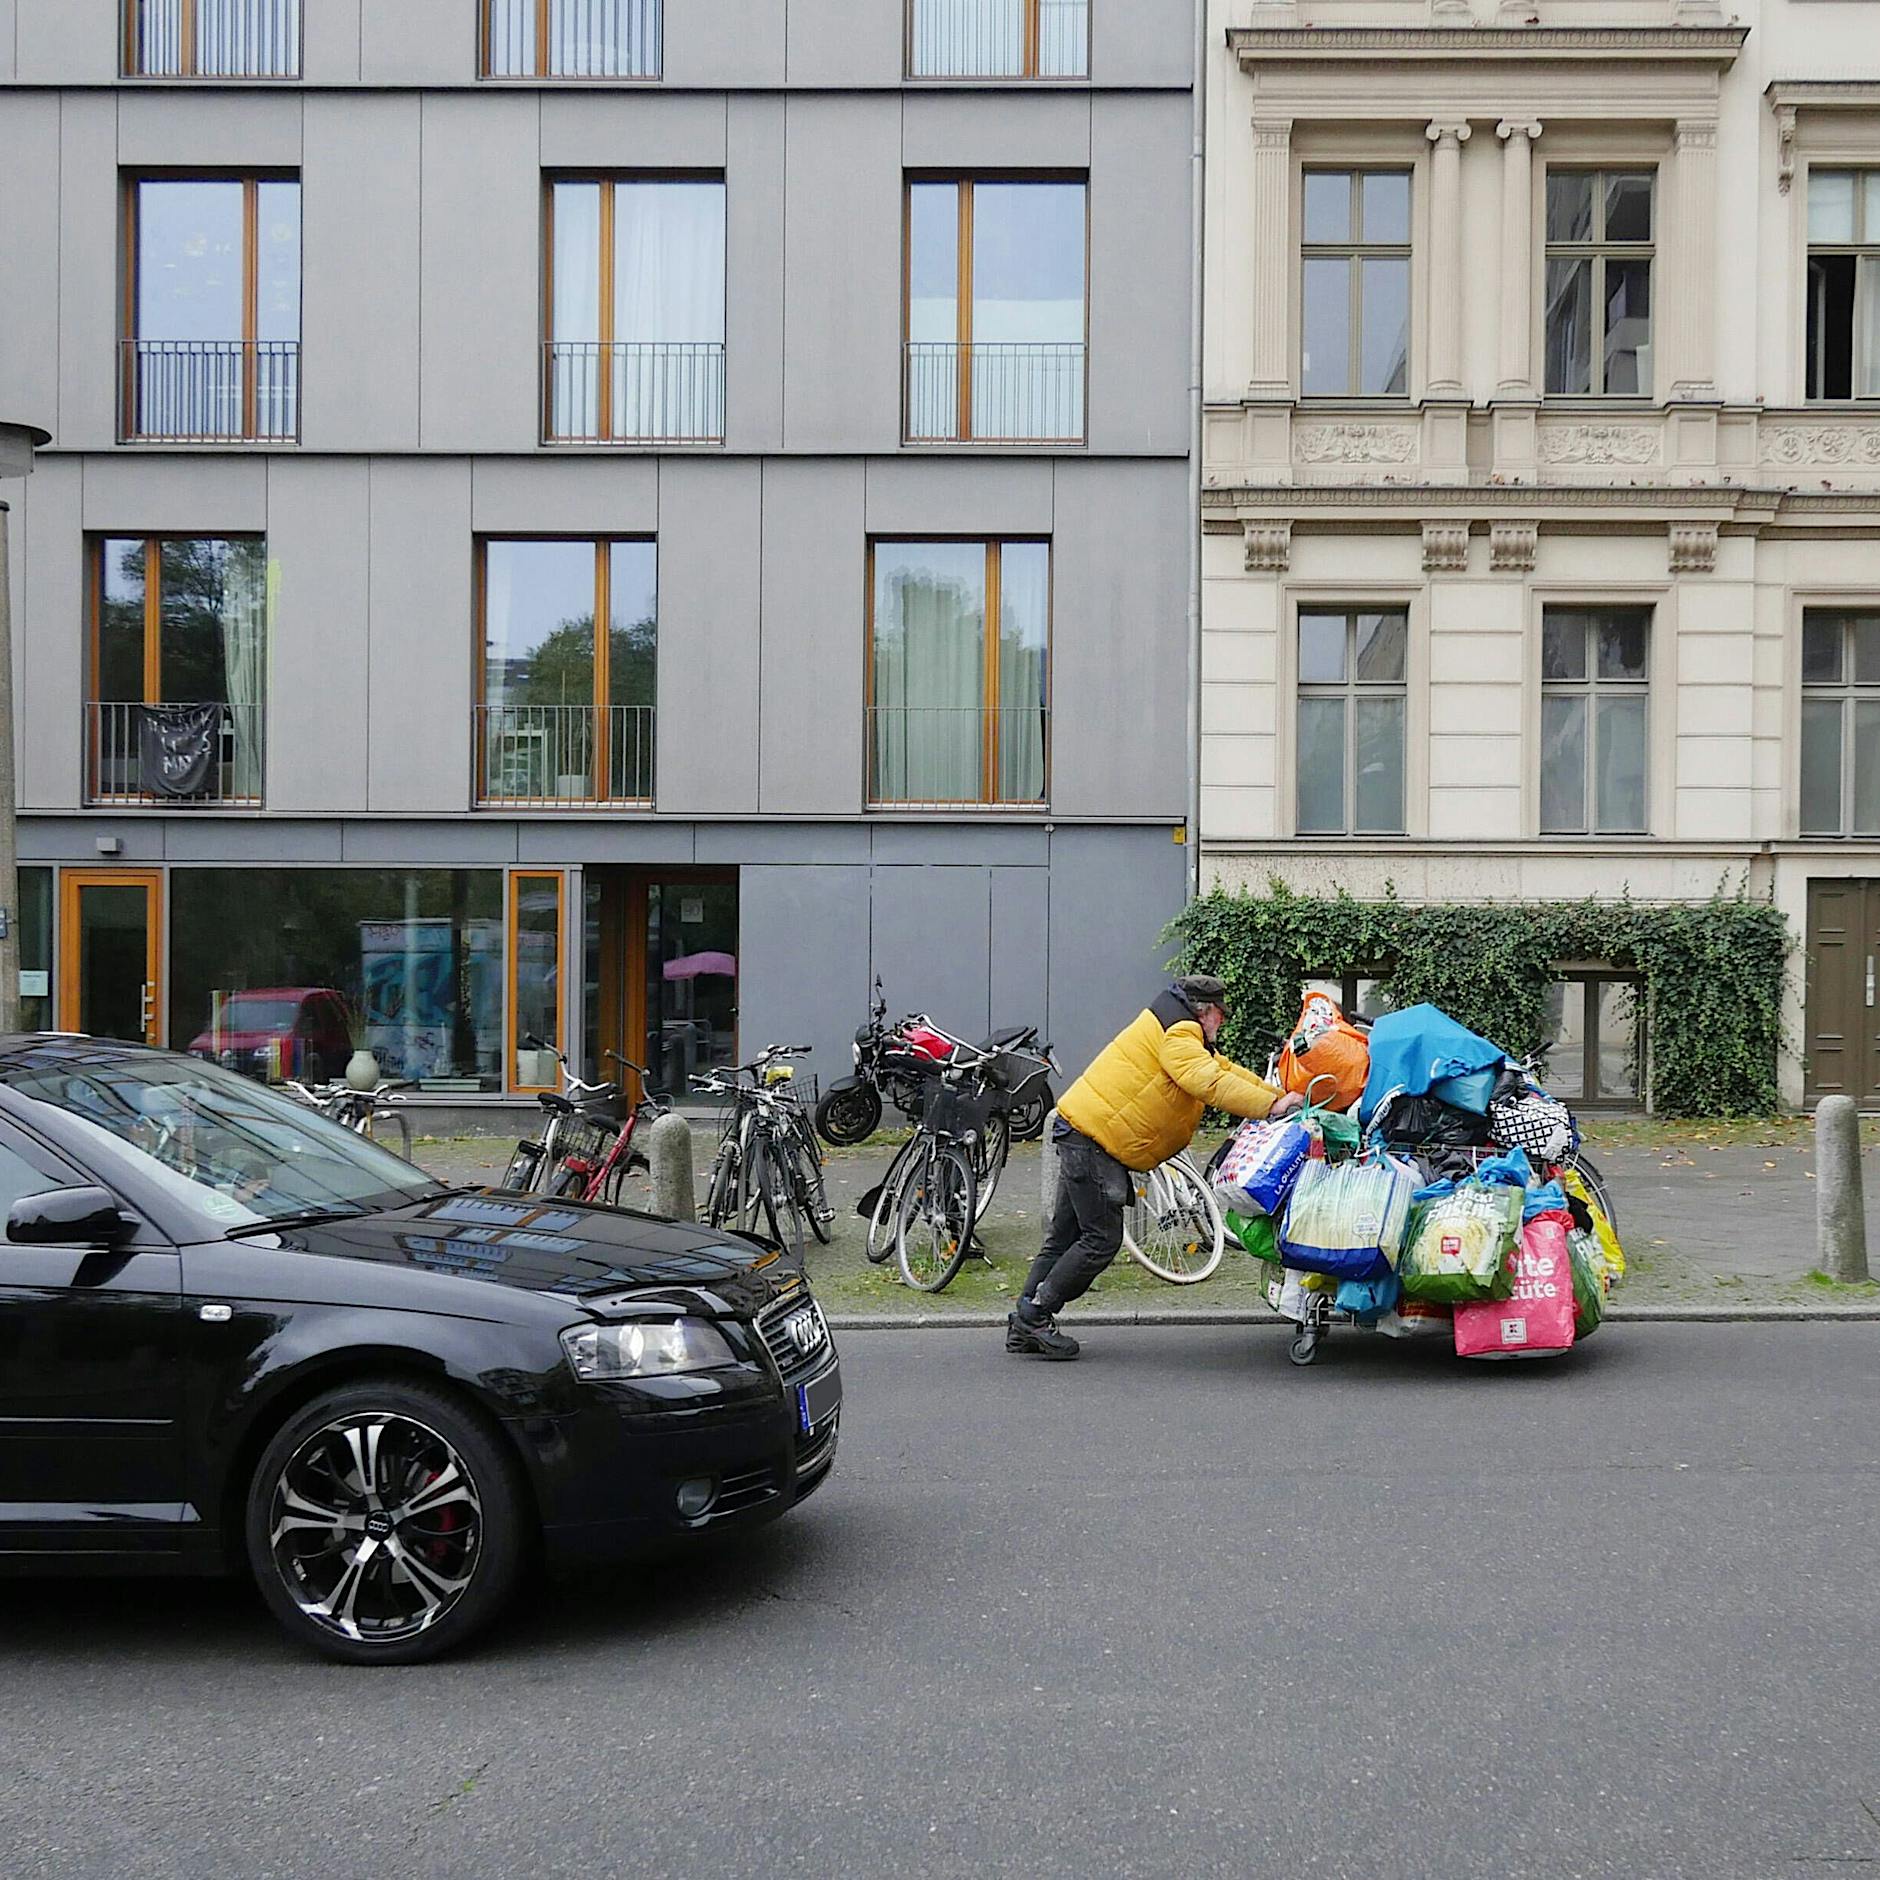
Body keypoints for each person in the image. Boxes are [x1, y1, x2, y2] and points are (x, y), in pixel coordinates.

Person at [1007, 975, 1302, 1360]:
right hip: (1094, 1141)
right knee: (1101, 1239)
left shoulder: (1177, 1029)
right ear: (1205, 1011)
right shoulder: (1180, 1034)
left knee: (1065, 1236)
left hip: (1085, 1132)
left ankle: (1026, 1320)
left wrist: (1279, 1097)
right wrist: (1271, 1108)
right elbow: (1208, 1081)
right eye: (1220, 1014)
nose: (1223, 1022)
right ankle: (1036, 1316)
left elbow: (1222, 1069)